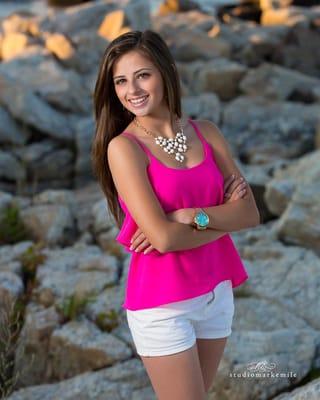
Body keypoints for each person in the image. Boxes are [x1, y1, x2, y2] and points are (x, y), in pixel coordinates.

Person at [92, 30, 260, 400]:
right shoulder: (124, 148)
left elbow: (250, 214)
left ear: (166, 73)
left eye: (142, 75)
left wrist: (192, 215)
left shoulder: (207, 132)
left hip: (217, 293)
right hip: (163, 304)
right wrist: (219, 218)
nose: (131, 89)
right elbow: (166, 240)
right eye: (120, 80)